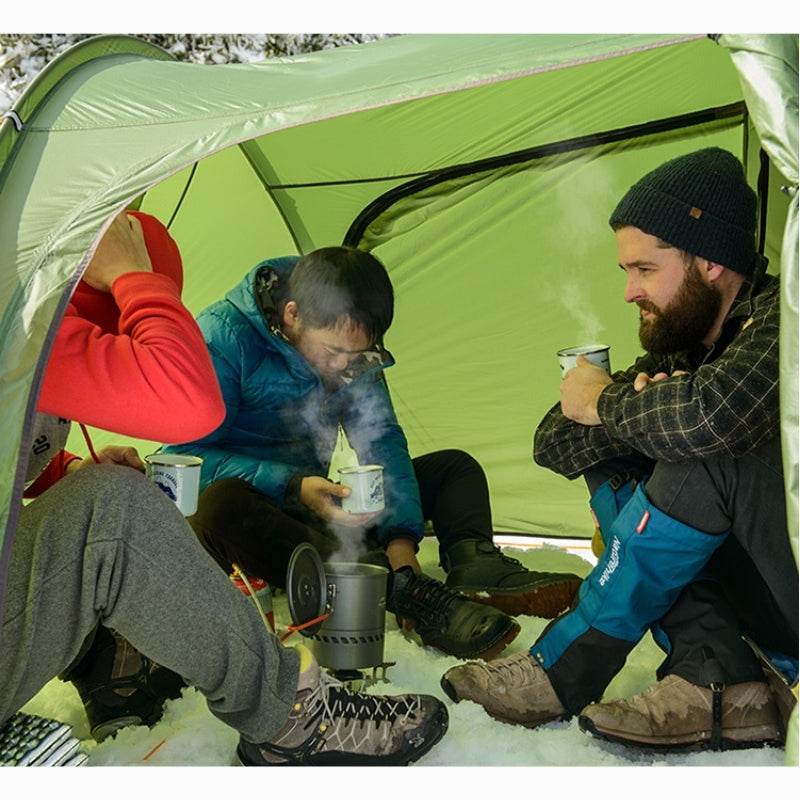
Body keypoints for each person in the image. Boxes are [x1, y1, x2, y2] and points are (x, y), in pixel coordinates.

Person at [1, 211, 448, 766]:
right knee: (125, 507)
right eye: (118, 319)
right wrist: (134, 275)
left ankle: (430, 575)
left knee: (103, 489)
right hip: (249, 497)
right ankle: (290, 714)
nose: (120, 341)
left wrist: (63, 470)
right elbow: (186, 411)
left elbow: (383, 440)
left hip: (309, 498)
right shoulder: (25, 332)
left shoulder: (29, 341)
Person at [441, 147, 798, 751]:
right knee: (620, 449)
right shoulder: (681, 349)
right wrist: (628, 413)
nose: (631, 291)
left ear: (709, 261)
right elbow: (553, 441)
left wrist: (611, 405)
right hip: (757, 595)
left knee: (698, 444)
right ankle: (714, 677)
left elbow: (709, 417)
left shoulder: (784, 319)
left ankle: (561, 670)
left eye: (644, 269)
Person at [162, 247, 582, 661]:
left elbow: (381, 439)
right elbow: (182, 456)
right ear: (292, 315)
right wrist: (291, 485)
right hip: (249, 521)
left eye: (354, 355)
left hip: (313, 512)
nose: (341, 366)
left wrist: (400, 541)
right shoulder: (222, 336)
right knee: (222, 506)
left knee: (454, 469)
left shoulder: (345, 343)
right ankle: (393, 594)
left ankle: (476, 572)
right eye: (331, 353)